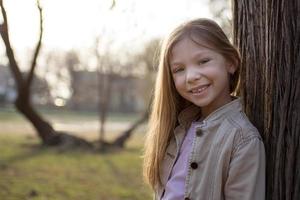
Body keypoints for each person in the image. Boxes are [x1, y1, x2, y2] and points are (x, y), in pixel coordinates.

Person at [143, 18, 266, 200]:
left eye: (203, 61)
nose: (191, 76)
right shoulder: (178, 129)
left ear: (231, 62)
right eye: (179, 69)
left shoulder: (243, 140)